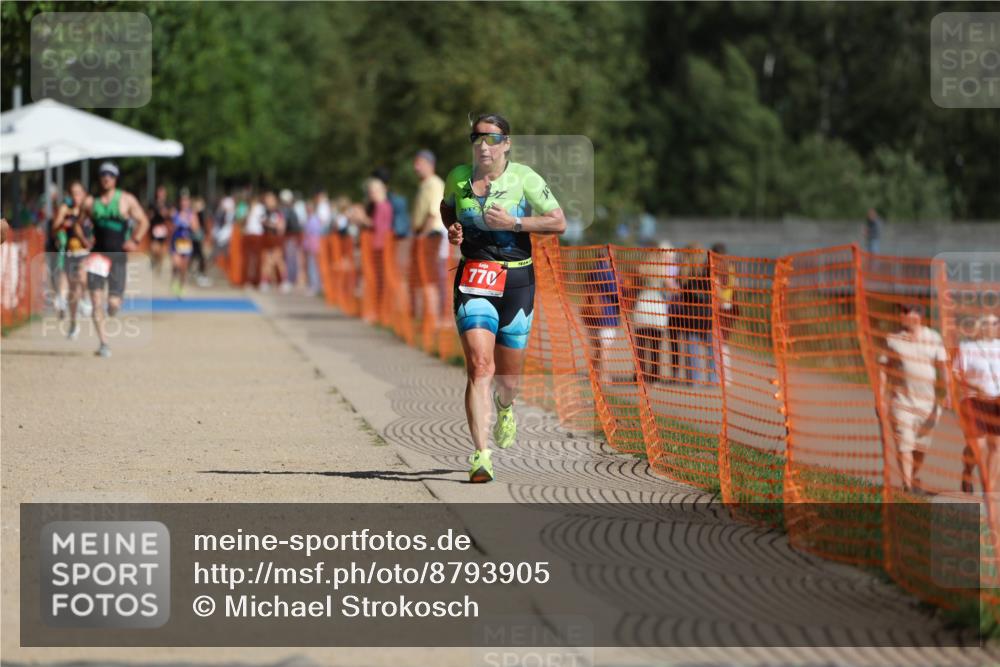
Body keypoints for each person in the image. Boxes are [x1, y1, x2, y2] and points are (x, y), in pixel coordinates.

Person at [442, 112, 566, 482]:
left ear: (506, 144)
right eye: (477, 137)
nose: (484, 144)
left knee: (507, 379)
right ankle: (481, 455)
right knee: (480, 367)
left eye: (493, 138)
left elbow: (558, 222)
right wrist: (453, 229)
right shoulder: (458, 177)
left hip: (517, 281)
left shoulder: (524, 178)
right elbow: (447, 208)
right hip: (474, 277)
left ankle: (505, 406)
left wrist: (513, 223)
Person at [82, 161, 150, 358]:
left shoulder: (126, 200)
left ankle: (111, 311)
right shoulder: (90, 202)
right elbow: (79, 223)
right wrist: (85, 238)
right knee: (96, 301)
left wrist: (135, 240)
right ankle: (104, 343)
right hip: (97, 256)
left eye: (110, 175)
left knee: (112, 303)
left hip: (118, 256)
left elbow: (144, 221)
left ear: (115, 179)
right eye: (103, 175)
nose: (106, 178)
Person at [877, 303, 948, 492]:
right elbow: (883, 368)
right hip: (901, 402)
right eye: (902, 311)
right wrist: (880, 397)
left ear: (918, 316)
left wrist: (949, 392)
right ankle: (907, 486)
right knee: (904, 444)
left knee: (920, 449)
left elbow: (943, 367)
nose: (902, 315)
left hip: (928, 405)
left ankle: (912, 477)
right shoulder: (893, 338)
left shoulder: (933, 338)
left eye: (906, 312)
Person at [955, 314, 1000, 493]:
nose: (990, 327)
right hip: (973, 401)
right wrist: (974, 385)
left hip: (996, 402)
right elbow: (956, 374)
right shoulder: (967, 347)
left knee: (996, 446)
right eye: (986, 323)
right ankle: (967, 472)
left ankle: (988, 491)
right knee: (978, 448)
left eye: (995, 323)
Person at [411, 149, 448, 331]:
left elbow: (433, 214)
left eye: (420, 162)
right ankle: (429, 318)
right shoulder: (425, 184)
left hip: (430, 235)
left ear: (430, 164)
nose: (415, 167)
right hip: (425, 234)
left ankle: (433, 319)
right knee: (427, 278)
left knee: (430, 278)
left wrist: (421, 236)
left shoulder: (434, 184)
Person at [52, 181, 91, 339]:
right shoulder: (65, 209)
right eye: (73, 193)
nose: (76, 196)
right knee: (71, 289)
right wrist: (63, 222)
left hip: (85, 251)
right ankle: (73, 322)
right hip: (69, 251)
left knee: (82, 278)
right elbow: (54, 227)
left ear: (84, 194)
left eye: (79, 193)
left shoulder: (89, 209)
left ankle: (85, 299)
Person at [169, 189, 200, 297]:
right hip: (176, 242)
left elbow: (196, 229)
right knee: (176, 264)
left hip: (186, 243)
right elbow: (170, 227)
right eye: (182, 201)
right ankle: (174, 280)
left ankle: (181, 286)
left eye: (186, 201)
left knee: (183, 267)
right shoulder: (175, 213)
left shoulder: (192, 215)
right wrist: (176, 223)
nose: (184, 203)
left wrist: (190, 224)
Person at [148, 185, 172, 276]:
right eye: (159, 192)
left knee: (162, 250)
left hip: (163, 228)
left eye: (162, 193)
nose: (161, 194)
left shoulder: (168, 204)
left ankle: (159, 266)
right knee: (154, 248)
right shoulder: (153, 203)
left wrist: (166, 213)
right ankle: (154, 259)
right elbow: (149, 214)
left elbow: (170, 215)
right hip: (155, 228)